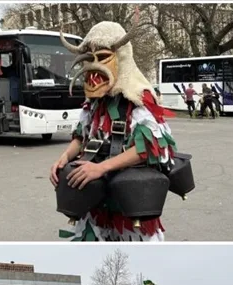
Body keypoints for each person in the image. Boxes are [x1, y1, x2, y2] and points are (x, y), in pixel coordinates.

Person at [51, 22, 179, 241]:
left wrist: (101, 167)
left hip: (130, 204)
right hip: (94, 204)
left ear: (120, 57)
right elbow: (82, 136)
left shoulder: (138, 98)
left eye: (102, 57)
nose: (94, 66)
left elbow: (152, 147)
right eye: (89, 59)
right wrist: (64, 157)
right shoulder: (93, 103)